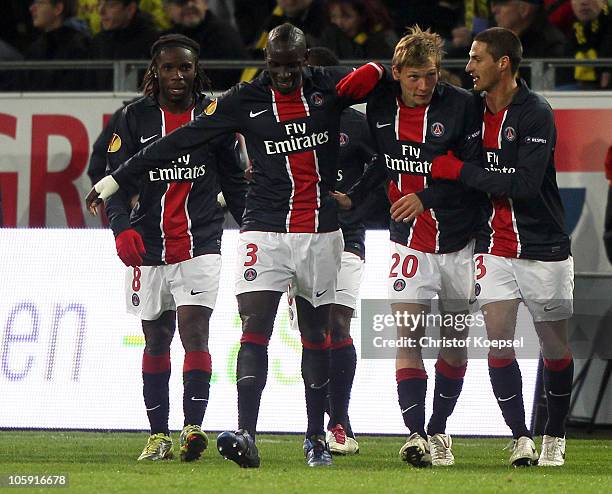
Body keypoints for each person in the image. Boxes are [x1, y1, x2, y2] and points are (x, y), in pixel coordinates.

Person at [86, 23, 358, 468]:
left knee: (309, 333)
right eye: (275, 66)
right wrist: (117, 202)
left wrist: (358, 200)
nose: (284, 75)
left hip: (276, 235)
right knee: (204, 333)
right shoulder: (225, 105)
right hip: (243, 234)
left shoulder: (326, 93)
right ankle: (222, 433)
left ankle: (312, 436)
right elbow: (164, 149)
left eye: (185, 68)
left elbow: (381, 130)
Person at [91, 34, 246, 462]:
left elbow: (234, 182)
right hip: (149, 243)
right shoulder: (133, 119)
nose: (178, 76)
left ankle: (193, 426)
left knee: (195, 331)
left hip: (201, 242)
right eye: (169, 68)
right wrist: (120, 229)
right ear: (154, 73)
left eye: (186, 68)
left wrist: (255, 233)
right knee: (156, 337)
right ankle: (158, 435)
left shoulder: (215, 118)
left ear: (197, 71)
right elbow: (115, 183)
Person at [334, 26, 482, 467]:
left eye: (431, 76)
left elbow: (474, 177)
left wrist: (426, 198)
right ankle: (417, 433)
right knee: (409, 335)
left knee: (454, 342)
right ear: (396, 73)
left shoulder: (462, 107)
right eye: (414, 76)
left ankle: (439, 428)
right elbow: (383, 163)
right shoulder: (380, 105)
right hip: (407, 245)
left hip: (459, 242)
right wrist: (356, 196)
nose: (423, 86)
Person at [431, 27, 574, 467]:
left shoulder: (536, 113)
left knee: (554, 349)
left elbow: (527, 186)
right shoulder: (471, 111)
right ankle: (521, 437)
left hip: (544, 247)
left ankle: (555, 434)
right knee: (499, 344)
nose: (468, 67)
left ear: (503, 63)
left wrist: (460, 171)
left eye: (476, 59)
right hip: (493, 246)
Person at [284, 46, 377, 456]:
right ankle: (319, 423)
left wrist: (356, 201)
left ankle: (339, 421)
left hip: (346, 237)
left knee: (339, 324)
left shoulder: (359, 125)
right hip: (296, 238)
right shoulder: (288, 123)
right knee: (313, 332)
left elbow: (385, 168)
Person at [162, 0, 249, 90]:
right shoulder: (166, 40)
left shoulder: (222, 35)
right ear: (168, 10)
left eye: (195, 1)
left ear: (205, 4)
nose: (189, 5)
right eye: (181, 3)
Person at [91, 0, 160, 90]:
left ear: (130, 9)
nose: (101, 11)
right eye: (99, 4)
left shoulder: (153, 43)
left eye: (110, 5)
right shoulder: (98, 42)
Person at [25, 0, 92, 91]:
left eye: (39, 3)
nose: (32, 8)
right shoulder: (35, 48)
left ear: (58, 8)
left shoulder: (80, 47)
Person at [320, 0, 398, 59]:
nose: (339, 22)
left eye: (347, 16)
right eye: (334, 16)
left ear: (363, 16)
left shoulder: (383, 39)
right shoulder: (330, 36)